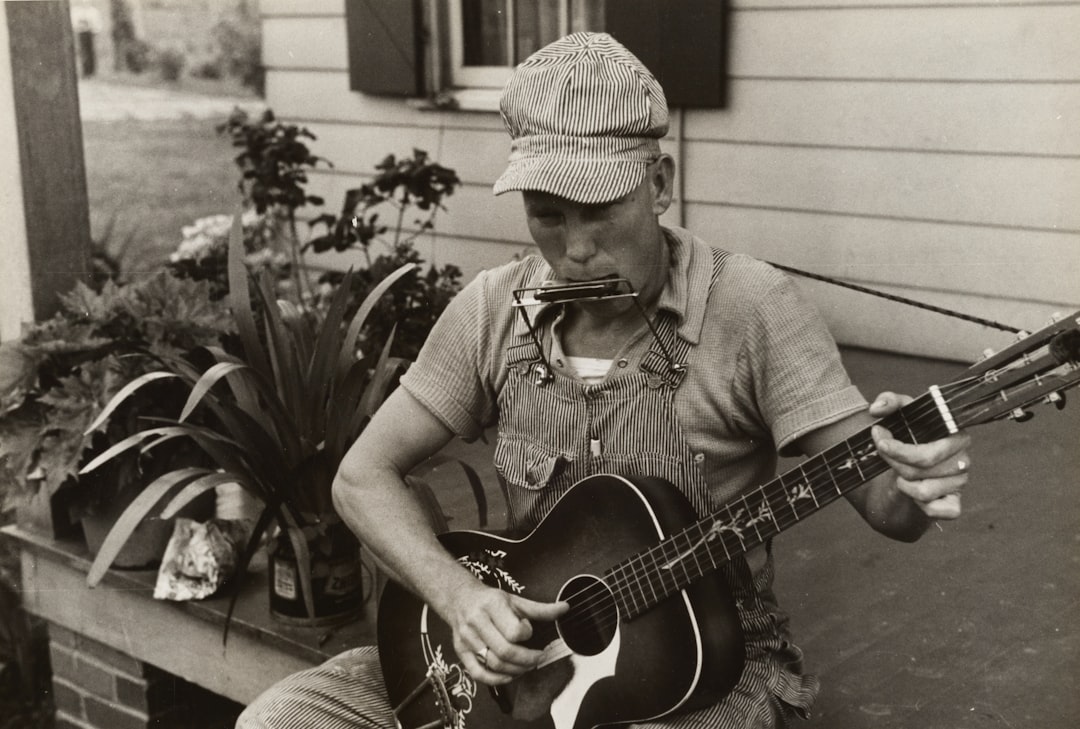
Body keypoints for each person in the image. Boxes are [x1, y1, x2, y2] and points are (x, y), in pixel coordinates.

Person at [238, 32, 971, 729]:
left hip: (707, 663)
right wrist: (460, 597)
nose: (576, 249)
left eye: (599, 210)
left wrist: (913, 470)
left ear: (659, 182)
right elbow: (359, 477)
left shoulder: (754, 308)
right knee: (281, 716)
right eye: (547, 216)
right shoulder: (494, 308)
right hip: (517, 652)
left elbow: (888, 507)